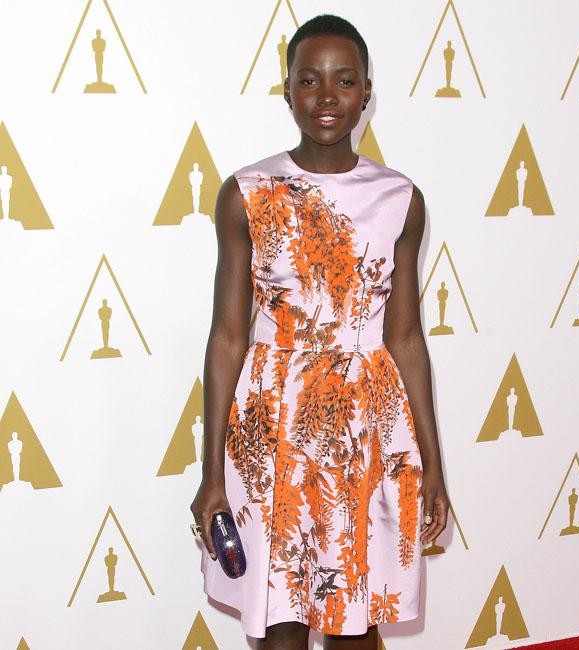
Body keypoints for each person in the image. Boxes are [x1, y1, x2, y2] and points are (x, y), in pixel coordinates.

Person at [190, 14, 449, 650]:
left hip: (367, 427)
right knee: (278, 620)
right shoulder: (247, 193)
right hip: (271, 427)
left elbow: (406, 339)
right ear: (287, 91)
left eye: (344, 80)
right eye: (309, 80)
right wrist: (211, 472)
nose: (327, 96)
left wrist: (433, 465)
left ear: (367, 92)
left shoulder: (401, 198)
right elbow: (227, 338)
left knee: (355, 620)